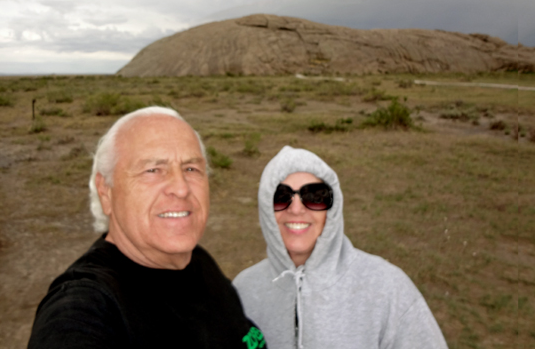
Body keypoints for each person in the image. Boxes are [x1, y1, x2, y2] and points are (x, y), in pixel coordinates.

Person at [28, 106, 266, 349]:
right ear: (105, 191)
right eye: (153, 170)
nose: (181, 188)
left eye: (191, 169)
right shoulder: (88, 303)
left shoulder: (199, 262)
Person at [233, 146, 447, 349]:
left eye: (314, 196)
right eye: (281, 197)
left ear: (332, 209)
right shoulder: (242, 291)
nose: (296, 209)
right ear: (265, 208)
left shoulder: (387, 288)